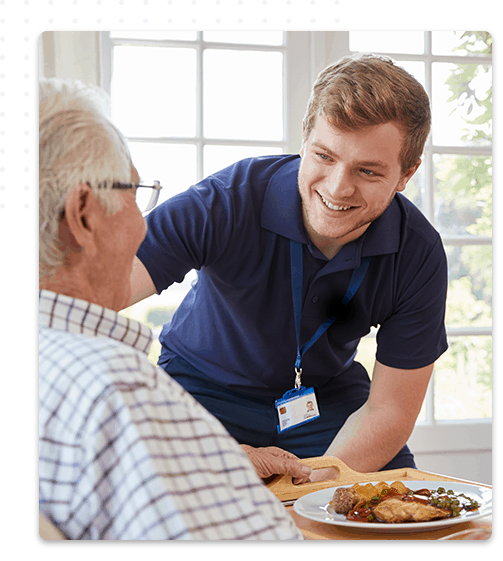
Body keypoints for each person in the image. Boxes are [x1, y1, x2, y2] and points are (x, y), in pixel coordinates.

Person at [129, 53, 448, 473]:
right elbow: (85, 292)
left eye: (368, 171)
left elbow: (389, 411)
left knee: (392, 516)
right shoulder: (226, 201)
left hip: (325, 401)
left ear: (407, 174)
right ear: (304, 137)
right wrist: (210, 457)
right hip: (199, 392)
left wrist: (310, 485)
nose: (338, 188)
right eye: (325, 156)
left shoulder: (419, 252)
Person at [38, 77, 305, 540]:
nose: (144, 225)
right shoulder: (115, 388)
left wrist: (195, 463)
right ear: (83, 214)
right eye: (133, 193)